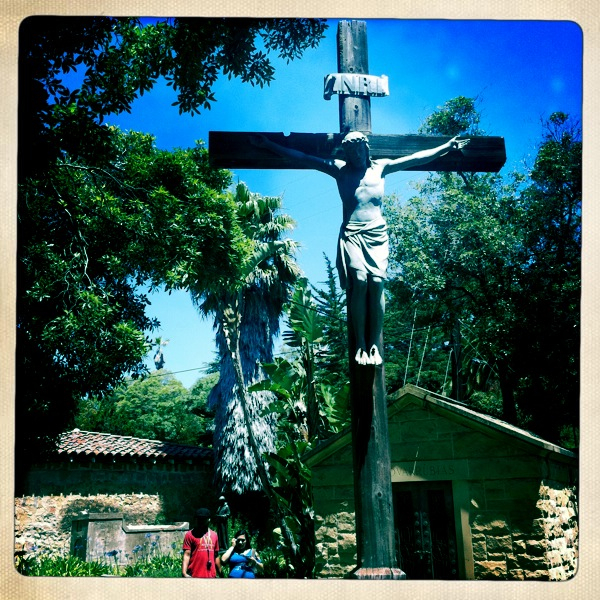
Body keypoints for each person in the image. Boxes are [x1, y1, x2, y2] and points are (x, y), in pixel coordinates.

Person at [250, 131, 470, 366]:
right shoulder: (340, 170)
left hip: (377, 232)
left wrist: (447, 146)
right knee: (361, 281)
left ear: (366, 149)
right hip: (352, 233)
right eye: (350, 151)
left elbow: (416, 158)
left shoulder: (381, 168)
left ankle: (374, 344)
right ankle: (361, 345)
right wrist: (270, 144)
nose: (355, 155)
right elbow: (304, 157)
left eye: (358, 150)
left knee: (376, 283)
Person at [182, 508, 222, 578]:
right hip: (194, 575)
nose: (201, 521)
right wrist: (184, 573)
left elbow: (216, 556)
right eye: (199, 519)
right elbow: (187, 554)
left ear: (209, 519)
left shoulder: (214, 535)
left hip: (211, 576)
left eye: (203, 519)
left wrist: (221, 574)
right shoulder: (190, 534)